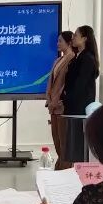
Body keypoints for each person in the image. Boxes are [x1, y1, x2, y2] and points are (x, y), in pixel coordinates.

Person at [62, 25, 100, 163]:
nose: (73, 38)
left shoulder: (87, 58)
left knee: (78, 145)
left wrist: (66, 98)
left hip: (79, 107)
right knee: (72, 144)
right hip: (73, 106)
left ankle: (79, 171)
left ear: (84, 38)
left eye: (76, 35)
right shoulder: (78, 57)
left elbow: (80, 84)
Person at [45, 31, 75, 169]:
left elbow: (66, 84)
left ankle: (64, 168)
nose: (57, 44)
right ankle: (61, 166)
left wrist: (58, 100)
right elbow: (51, 82)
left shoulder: (72, 58)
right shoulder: (58, 60)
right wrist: (49, 99)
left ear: (69, 43)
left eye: (60, 41)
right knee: (56, 139)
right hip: (53, 106)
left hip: (61, 105)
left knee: (64, 141)